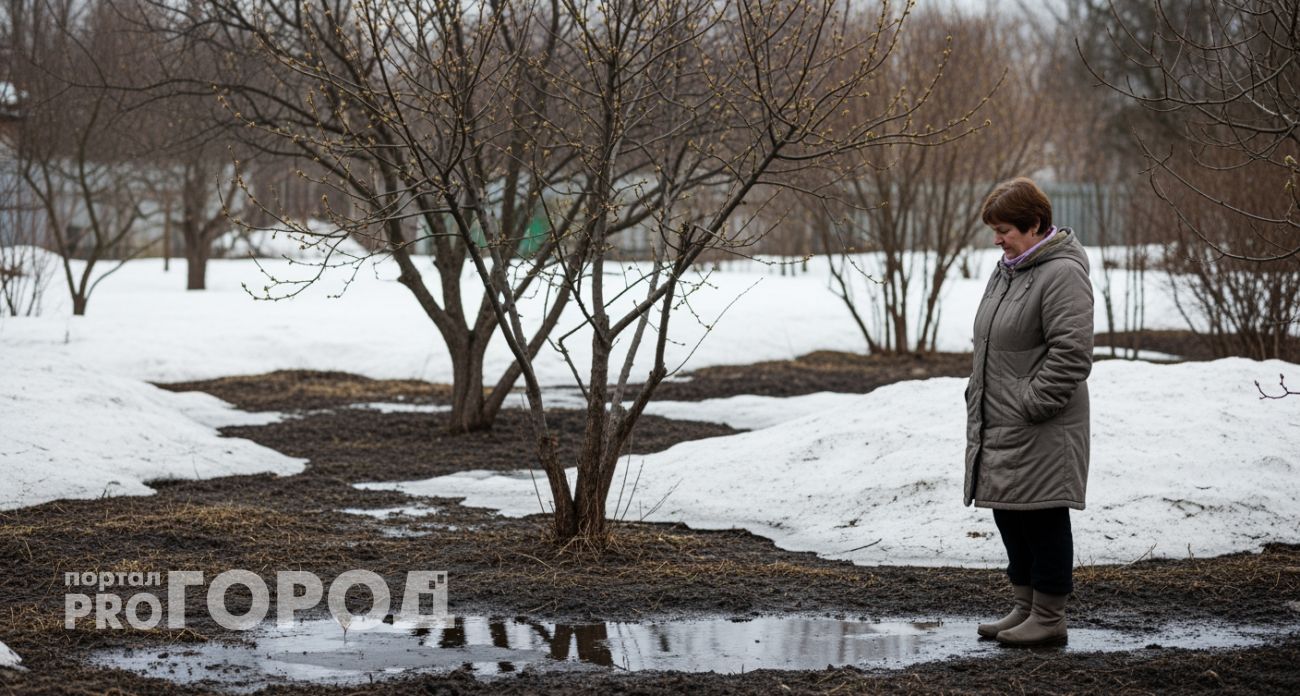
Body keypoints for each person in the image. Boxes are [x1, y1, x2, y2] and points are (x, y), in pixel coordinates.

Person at [963, 177, 1093, 647]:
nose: (997, 240)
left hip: (1043, 423)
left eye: (1004, 230)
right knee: (1009, 513)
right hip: (1000, 417)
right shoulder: (1010, 268)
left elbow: (1073, 353)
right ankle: (1024, 606)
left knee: (1042, 516)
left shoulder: (1061, 272)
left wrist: (1031, 402)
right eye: (994, 231)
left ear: (1035, 224)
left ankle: (1049, 615)